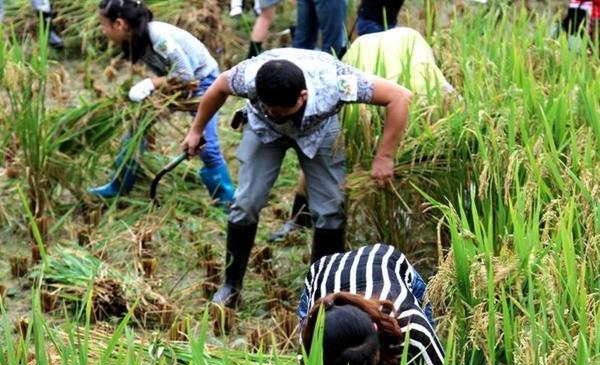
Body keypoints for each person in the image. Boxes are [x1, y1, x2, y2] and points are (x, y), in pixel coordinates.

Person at [181, 48, 413, 308]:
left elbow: (399, 96)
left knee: (330, 208)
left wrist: (384, 156)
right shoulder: (248, 77)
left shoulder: (336, 82)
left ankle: (323, 293)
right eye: (272, 109)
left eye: (282, 111)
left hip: (319, 129)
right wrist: (196, 130)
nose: (277, 114)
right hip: (263, 131)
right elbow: (218, 87)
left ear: (303, 97)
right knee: (246, 202)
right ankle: (231, 286)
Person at [270, 27, 455, 243]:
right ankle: (300, 217)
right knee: (330, 145)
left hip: (407, 44)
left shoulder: (436, 99)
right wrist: (384, 156)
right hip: (364, 56)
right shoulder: (367, 92)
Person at [89, 0, 235, 206]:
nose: (103, 31)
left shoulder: (159, 38)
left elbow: (186, 77)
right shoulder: (136, 38)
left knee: (206, 145)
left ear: (119, 24)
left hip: (204, 84)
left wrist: (151, 83)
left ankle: (227, 202)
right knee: (137, 126)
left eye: (103, 25)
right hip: (177, 85)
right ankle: (119, 185)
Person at [299, 244, 449, 365]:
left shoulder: (409, 324)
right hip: (322, 274)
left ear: (375, 327)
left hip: (385, 261)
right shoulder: (312, 340)